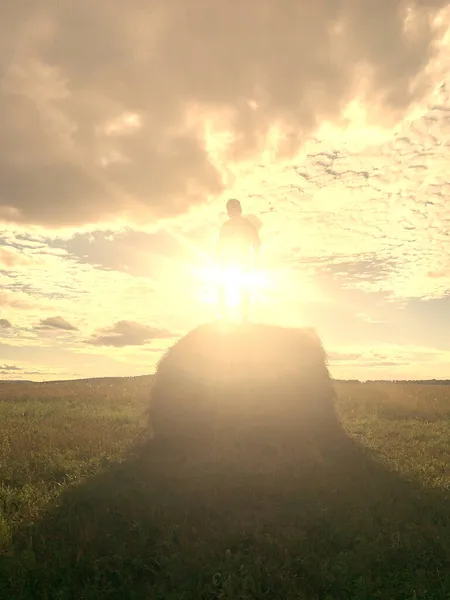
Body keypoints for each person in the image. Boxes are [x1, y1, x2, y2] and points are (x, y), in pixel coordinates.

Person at [213, 199, 261, 321]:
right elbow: (219, 244)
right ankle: (223, 316)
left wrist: (255, 259)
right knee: (223, 288)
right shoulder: (225, 226)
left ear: (239, 209)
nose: (232, 211)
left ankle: (244, 317)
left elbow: (256, 243)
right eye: (230, 209)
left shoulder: (247, 224)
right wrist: (215, 259)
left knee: (243, 289)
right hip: (227, 262)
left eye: (233, 208)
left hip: (242, 262)